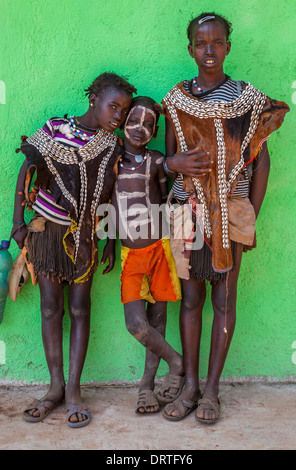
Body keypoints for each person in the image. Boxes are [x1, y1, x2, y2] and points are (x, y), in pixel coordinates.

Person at [161, 13, 289, 423]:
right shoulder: (176, 99)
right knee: (192, 298)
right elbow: (169, 158)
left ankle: (213, 391)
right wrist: (173, 163)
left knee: (224, 298)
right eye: (202, 43)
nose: (210, 50)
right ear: (191, 50)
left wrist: (250, 213)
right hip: (187, 212)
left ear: (228, 47)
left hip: (232, 212)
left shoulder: (249, 100)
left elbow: (261, 160)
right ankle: (192, 385)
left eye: (217, 42)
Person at [11, 72, 136, 427]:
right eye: (113, 106)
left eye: (124, 111)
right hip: (47, 233)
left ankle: (75, 391)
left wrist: (109, 240)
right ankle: (54, 388)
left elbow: (110, 194)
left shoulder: (111, 145)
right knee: (51, 308)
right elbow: (26, 170)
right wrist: (18, 223)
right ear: (93, 99)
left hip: (86, 238)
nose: (118, 116)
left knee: (80, 309)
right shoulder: (55, 129)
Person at [101, 96, 184, 414]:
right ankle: (176, 362)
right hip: (131, 256)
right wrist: (108, 243)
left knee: (157, 321)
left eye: (149, 124)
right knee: (137, 324)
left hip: (159, 251)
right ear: (122, 123)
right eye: (133, 120)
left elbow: (166, 201)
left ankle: (146, 387)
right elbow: (106, 203)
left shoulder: (156, 161)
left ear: (156, 130)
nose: (139, 128)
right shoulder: (112, 161)